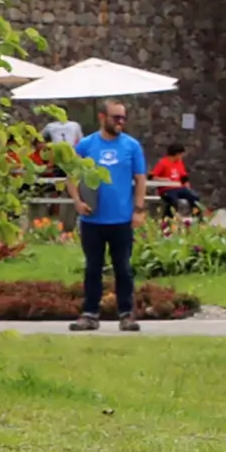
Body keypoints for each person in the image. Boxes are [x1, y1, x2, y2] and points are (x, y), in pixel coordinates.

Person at [66, 99, 148, 333]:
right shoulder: (86, 145)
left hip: (121, 219)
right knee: (93, 267)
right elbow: (71, 175)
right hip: (93, 220)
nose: (120, 122)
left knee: (123, 267)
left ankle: (126, 314)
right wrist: (78, 202)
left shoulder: (131, 146)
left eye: (123, 117)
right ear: (102, 117)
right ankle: (90, 314)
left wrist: (139, 209)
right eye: (116, 117)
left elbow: (140, 178)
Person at [151, 143, 202, 217]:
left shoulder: (179, 163)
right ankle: (168, 219)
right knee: (174, 202)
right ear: (177, 154)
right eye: (181, 154)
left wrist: (186, 184)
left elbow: (183, 175)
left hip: (179, 188)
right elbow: (151, 176)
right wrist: (163, 179)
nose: (182, 156)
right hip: (167, 189)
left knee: (194, 198)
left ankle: (198, 217)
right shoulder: (163, 163)